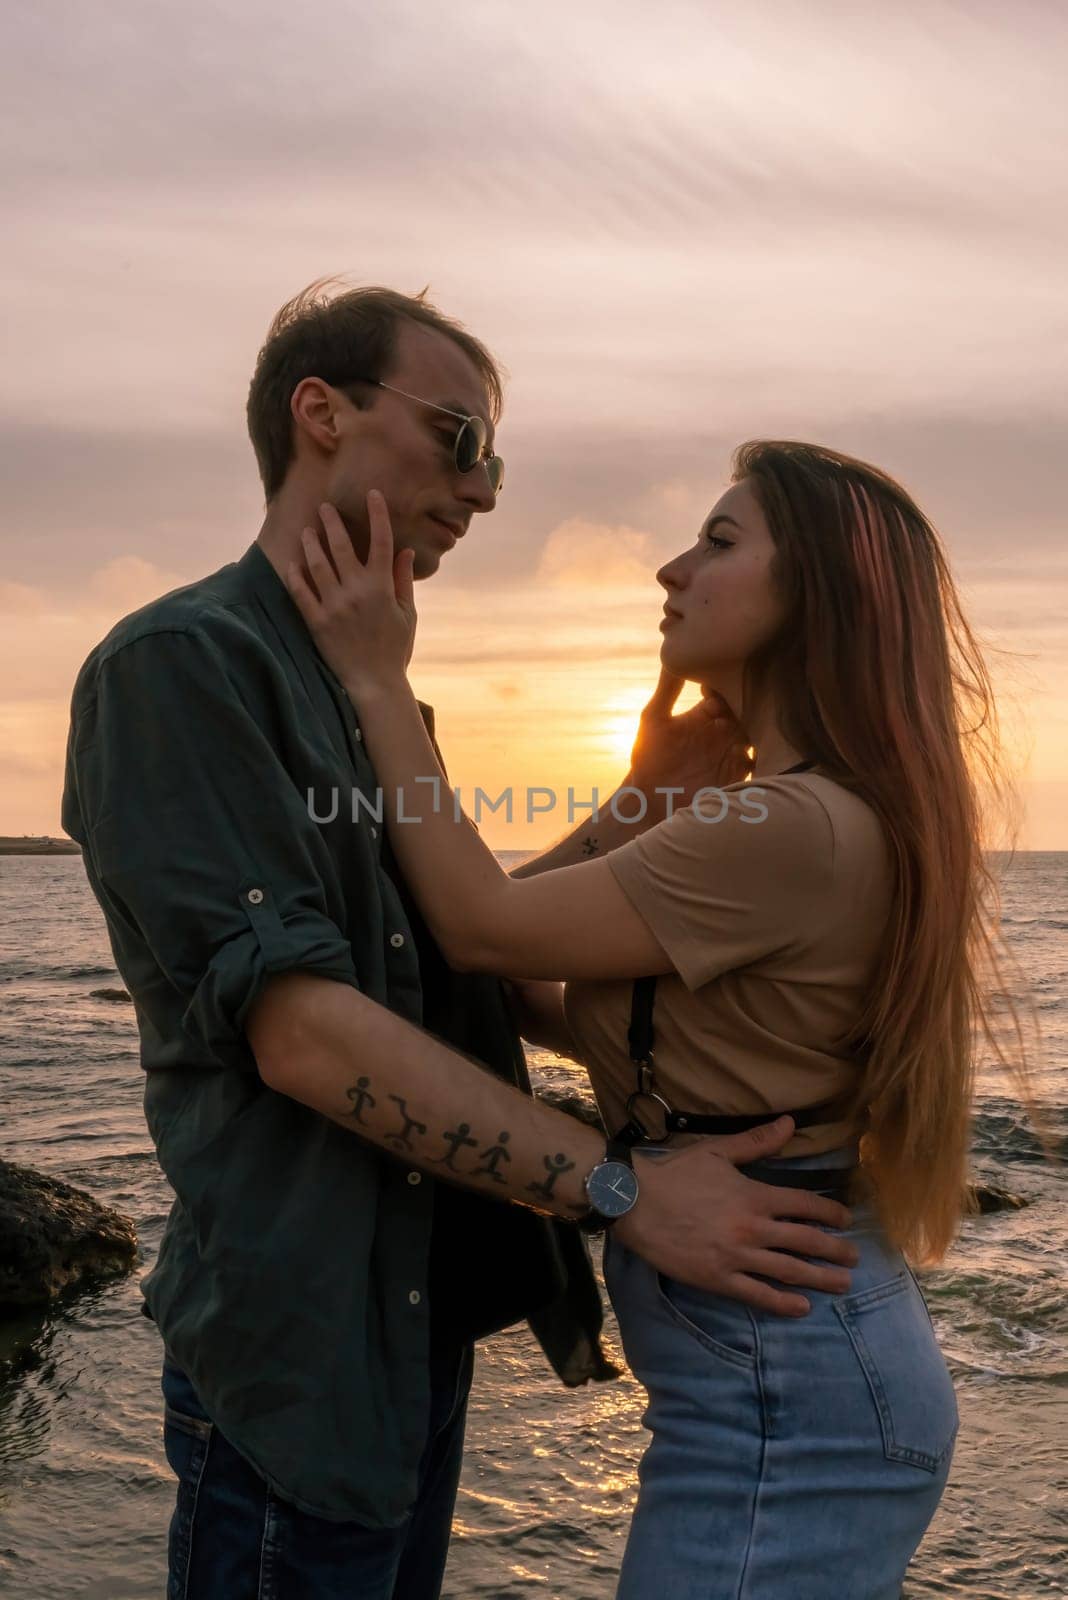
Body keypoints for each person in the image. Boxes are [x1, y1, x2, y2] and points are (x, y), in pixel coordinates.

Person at [60, 282, 857, 1600]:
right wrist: (628, 1190)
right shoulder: (181, 668)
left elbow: (440, 951)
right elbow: (308, 1033)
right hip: (298, 1370)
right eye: (460, 440)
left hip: (406, 1341)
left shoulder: (363, 673)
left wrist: (627, 812)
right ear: (322, 414)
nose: (484, 492)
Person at [284, 441, 1037, 1599]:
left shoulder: (793, 827)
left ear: (816, 596)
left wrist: (380, 684)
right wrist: (642, 802)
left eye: (722, 542)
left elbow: (481, 926)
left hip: (790, 1410)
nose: (671, 570)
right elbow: (530, 983)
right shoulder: (798, 816)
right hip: (785, 1386)